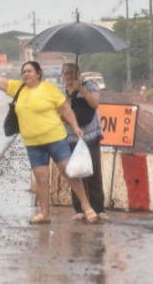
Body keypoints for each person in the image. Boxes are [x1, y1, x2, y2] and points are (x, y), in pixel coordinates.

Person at [0, 61, 98, 225]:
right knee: (41, 178)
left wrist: (76, 127)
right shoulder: (18, 89)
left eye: (29, 71)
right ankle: (44, 213)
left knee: (68, 172)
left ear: (38, 73)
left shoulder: (49, 89)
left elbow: (65, 109)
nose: (26, 74)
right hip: (33, 144)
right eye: (24, 72)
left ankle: (87, 207)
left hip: (55, 139)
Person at [61, 62, 107, 221]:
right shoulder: (62, 92)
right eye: (66, 74)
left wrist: (81, 89)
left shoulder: (90, 85)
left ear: (79, 73)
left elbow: (95, 103)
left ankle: (99, 209)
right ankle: (79, 209)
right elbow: (60, 117)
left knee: (93, 172)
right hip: (71, 139)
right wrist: (65, 104)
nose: (69, 76)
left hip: (91, 136)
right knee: (75, 173)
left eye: (72, 73)